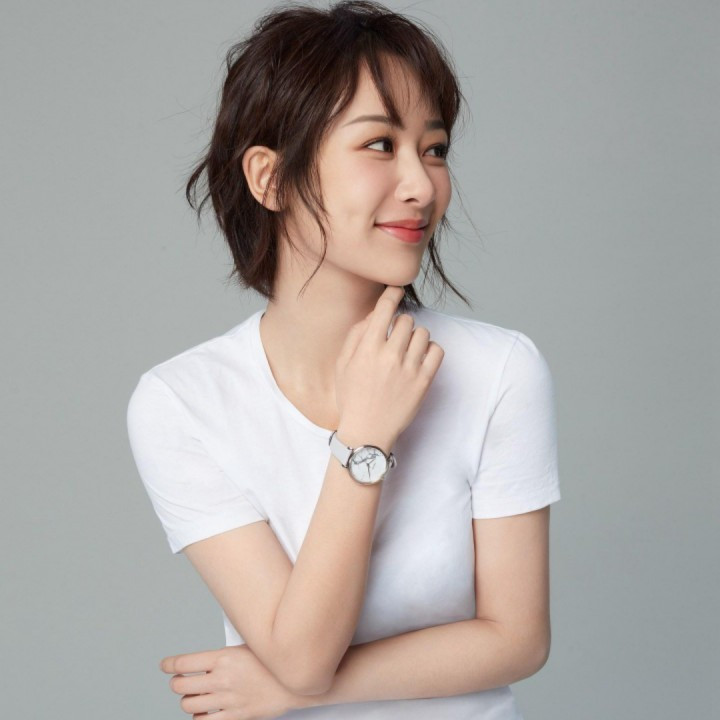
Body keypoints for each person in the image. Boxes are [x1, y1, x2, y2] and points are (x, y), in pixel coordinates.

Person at [126, 1, 562, 718]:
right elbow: (302, 652)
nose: (421, 185)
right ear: (269, 178)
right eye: (380, 145)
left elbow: (517, 639)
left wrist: (278, 689)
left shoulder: (499, 370)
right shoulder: (182, 402)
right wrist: (364, 438)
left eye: (435, 149)